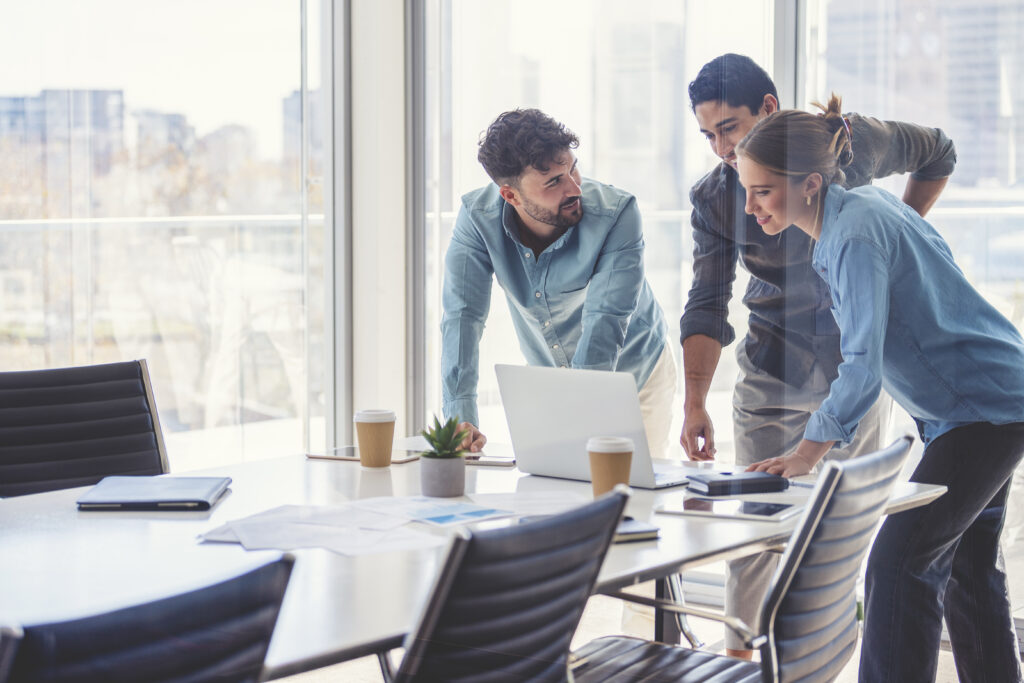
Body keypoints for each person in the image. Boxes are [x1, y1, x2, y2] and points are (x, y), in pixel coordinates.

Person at [678, 53, 957, 659]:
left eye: (728, 127)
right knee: (753, 531)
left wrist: (901, 228)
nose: (721, 148)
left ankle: (818, 661)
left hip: (853, 368)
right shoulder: (715, 197)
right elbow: (706, 301)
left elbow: (939, 150)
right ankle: (742, 662)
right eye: (707, 135)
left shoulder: (849, 144)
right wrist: (695, 400)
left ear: (768, 110)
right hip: (770, 364)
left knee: (843, 529)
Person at [737, 95, 1024, 683]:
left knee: (900, 561)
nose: (750, 206)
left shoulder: (854, 237)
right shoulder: (862, 211)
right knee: (968, 565)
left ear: (810, 184)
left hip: (985, 410)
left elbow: (862, 364)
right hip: (974, 405)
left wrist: (806, 452)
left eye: (762, 191)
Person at [441, 108, 674, 456]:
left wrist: (576, 419)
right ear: (510, 196)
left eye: (572, 168)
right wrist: (461, 419)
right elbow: (462, 317)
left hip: (634, 373)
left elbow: (605, 322)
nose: (574, 187)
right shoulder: (477, 219)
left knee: (629, 492)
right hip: (553, 378)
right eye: (553, 182)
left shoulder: (617, 213)